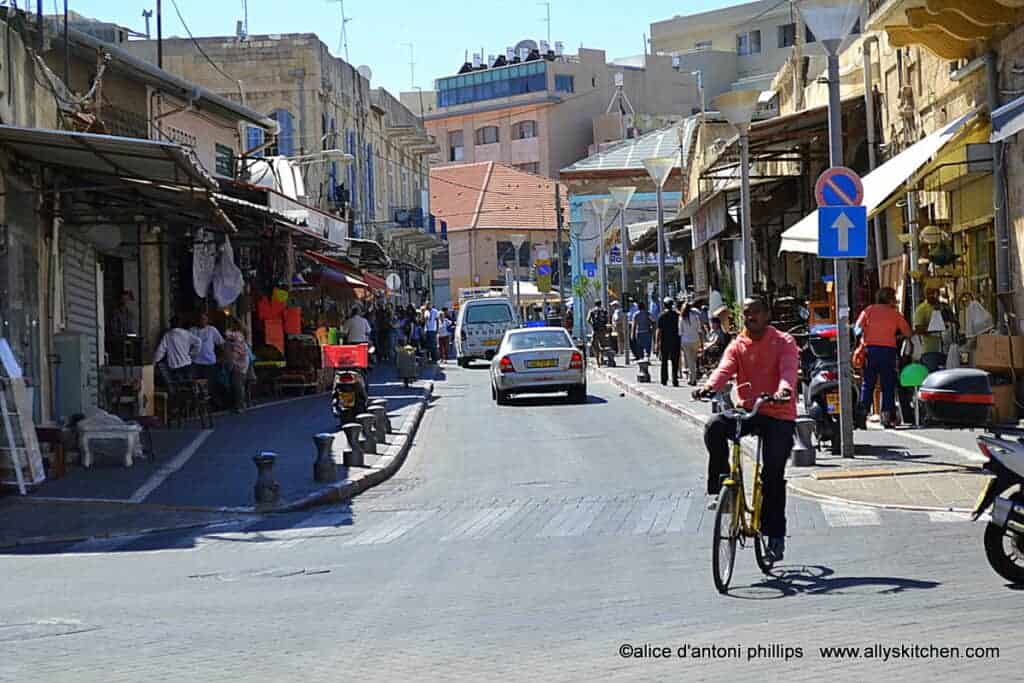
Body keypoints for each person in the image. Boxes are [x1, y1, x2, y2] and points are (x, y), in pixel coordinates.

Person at [693, 298, 798, 563]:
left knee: (772, 476)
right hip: (748, 411)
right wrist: (709, 387)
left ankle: (775, 535)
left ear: (767, 315)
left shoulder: (783, 341)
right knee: (714, 426)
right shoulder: (737, 344)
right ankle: (723, 487)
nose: (750, 317)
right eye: (746, 313)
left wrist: (784, 391)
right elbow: (724, 370)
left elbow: (788, 371)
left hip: (778, 413)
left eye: (756, 313)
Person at [856, 287, 911, 428]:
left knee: (868, 383)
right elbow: (908, 332)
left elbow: (857, 328)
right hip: (888, 352)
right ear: (890, 299)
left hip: (870, 350)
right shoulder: (894, 314)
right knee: (888, 384)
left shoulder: (868, 310)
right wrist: (896, 335)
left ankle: (862, 416)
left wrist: (864, 336)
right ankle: (887, 417)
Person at [154, 316, 201, 384]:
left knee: (178, 388)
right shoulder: (186, 333)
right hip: (187, 365)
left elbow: (161, 351)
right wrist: (192, 353)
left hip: (174, 367)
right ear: (180, 324)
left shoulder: (168, 335)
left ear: (171, 324)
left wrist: (155, 362)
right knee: (189, 388)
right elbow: (199, 341)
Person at [190, 312, 224, 387]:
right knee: (196, 385)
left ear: (207, 320)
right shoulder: (192, 330)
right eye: (200, 319)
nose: (202, 321)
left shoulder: (212, 329)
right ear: (197, 320)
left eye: (204, 319)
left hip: (209, 362)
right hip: (195, 362)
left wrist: (222, 358)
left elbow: (221, 344)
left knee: (210, 385)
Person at [223, 320, 251, 413]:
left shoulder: (238, 335)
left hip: (239, 362)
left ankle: (240, 405)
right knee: (235, 384)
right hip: (234, 361)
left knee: (237, 384)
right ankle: (238, 404)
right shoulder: (237, 336)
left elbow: (230, 336)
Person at [655, 297, 681, 386]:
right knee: (675, 361)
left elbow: (659, 330)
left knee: (664, 361)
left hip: (665, 341)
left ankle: (664, 379)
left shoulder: (661, 316)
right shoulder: (677, 315)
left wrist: (656, 343)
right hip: (676, 340)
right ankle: (675, 380)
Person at [678, 299, 704, 386]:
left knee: (689, 361)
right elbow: (699, 330)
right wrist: (701, 342)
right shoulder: (695, 317)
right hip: (695, 340)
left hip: (685, 341)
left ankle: (692, 379)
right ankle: (691, 377)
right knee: (693, 360)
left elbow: (680, 332)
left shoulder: (681, 318)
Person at [913, 287, 943, 355]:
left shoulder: (943, 307)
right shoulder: (921, 309)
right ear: (925, 295)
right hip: (929, 349)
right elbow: (918, 329)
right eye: (929, 293)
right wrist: (934, 328)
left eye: (934, 293)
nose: (932, 295)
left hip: (945, 347)